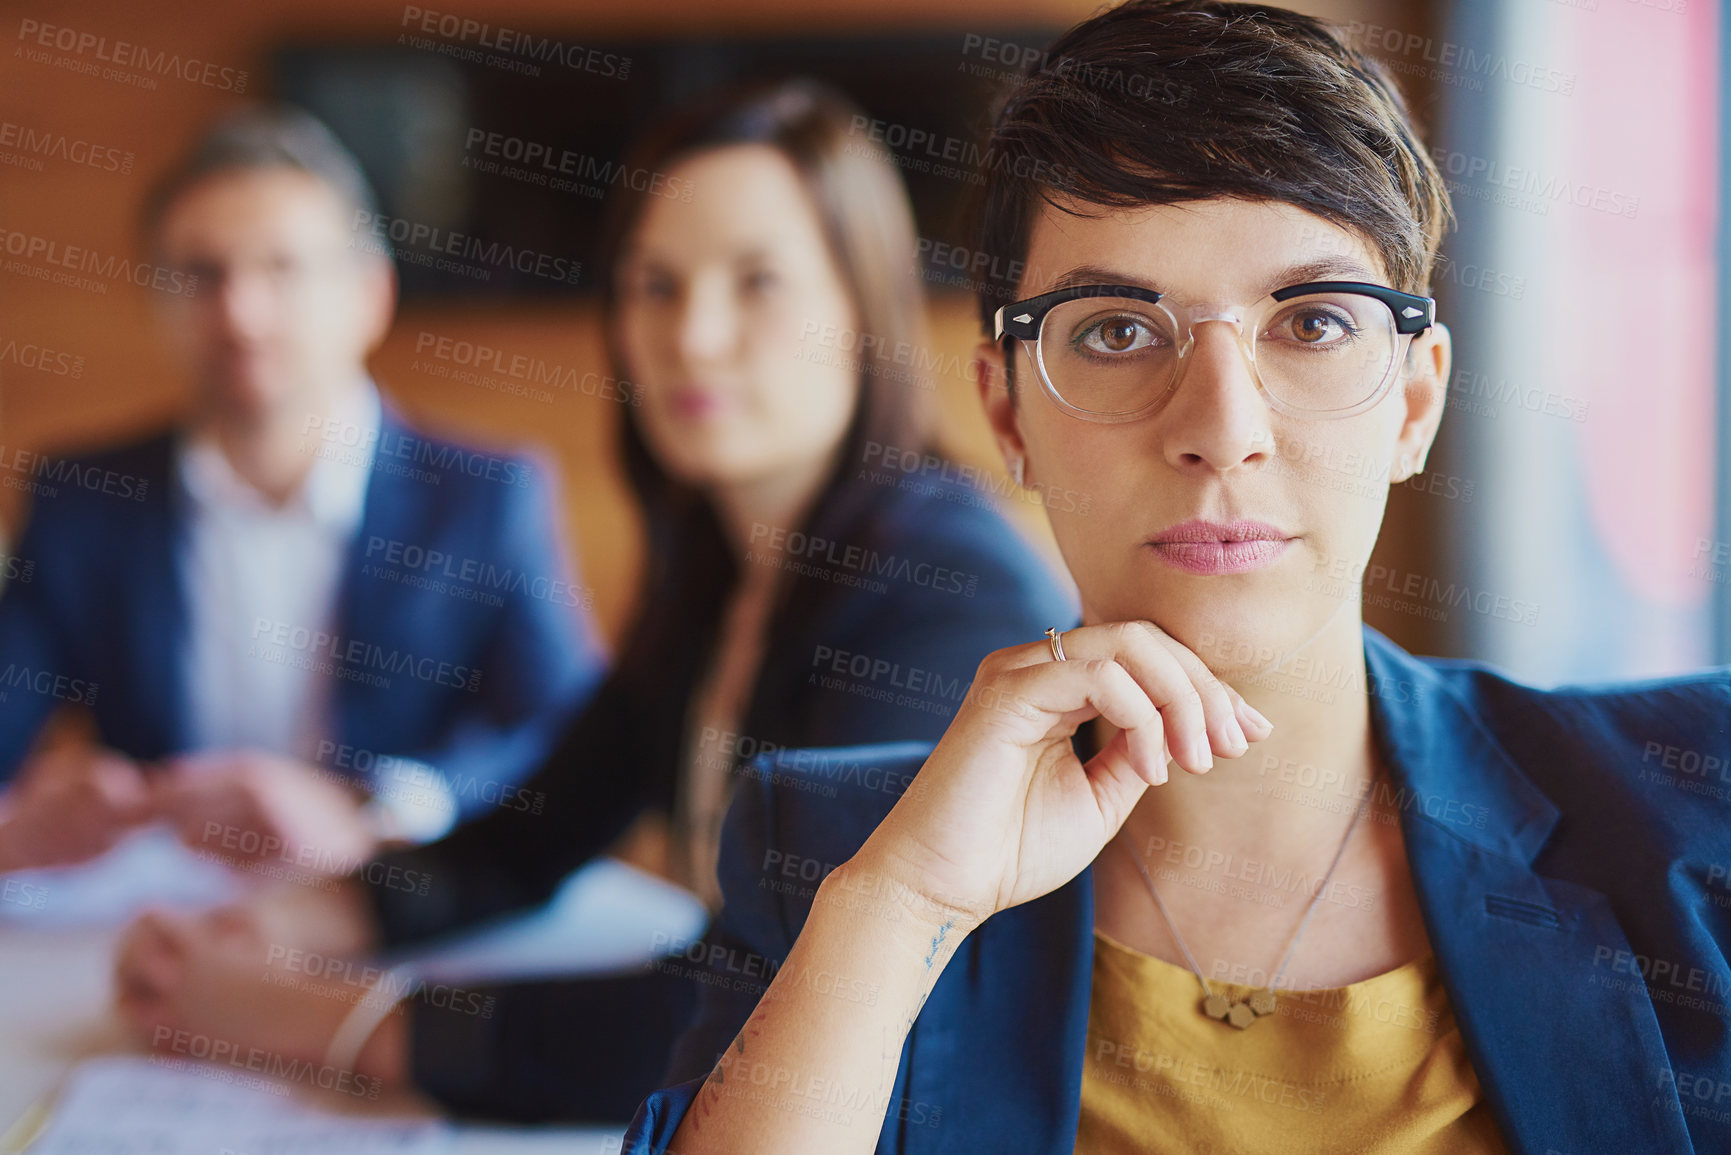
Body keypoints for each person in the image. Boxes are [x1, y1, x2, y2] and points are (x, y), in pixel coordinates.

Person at [621, 4, 1731, 1153]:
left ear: (1414, 403)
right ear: (1005, 411)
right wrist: (903, 911)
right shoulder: (837, 851)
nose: (1223, 428)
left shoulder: (1696, 813)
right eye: (1113, 331)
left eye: (1311, 322)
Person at [112, 79, 1076, 1123]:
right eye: (654, 286)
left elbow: (764, 1004)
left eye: (757, 282)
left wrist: (325, 1019)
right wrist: (295, 918)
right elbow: (532, 831)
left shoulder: (948, 595)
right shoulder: (716, 563)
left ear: (863, 305)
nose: (693, 337)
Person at [0, 106, 603, 875]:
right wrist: (22, 823)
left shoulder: (487, 494)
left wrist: (377, 806)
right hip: (156, 906)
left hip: (391, 900)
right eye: (201, 274)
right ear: (160, 304)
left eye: (282, 268)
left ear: (369, 295)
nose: (240, 313)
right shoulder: (81, 496)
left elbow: (563, 728)